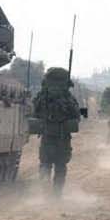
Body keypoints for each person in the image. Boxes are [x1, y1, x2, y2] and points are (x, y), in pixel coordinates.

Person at [32, 66, 83, 196]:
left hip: (47, 136)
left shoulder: (42, 96)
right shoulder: (68, 98)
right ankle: (56, 194)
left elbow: (35, 113)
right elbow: (76, 115)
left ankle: (45, 191)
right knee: (60, 167)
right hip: (62, 138)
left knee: (45, 164)